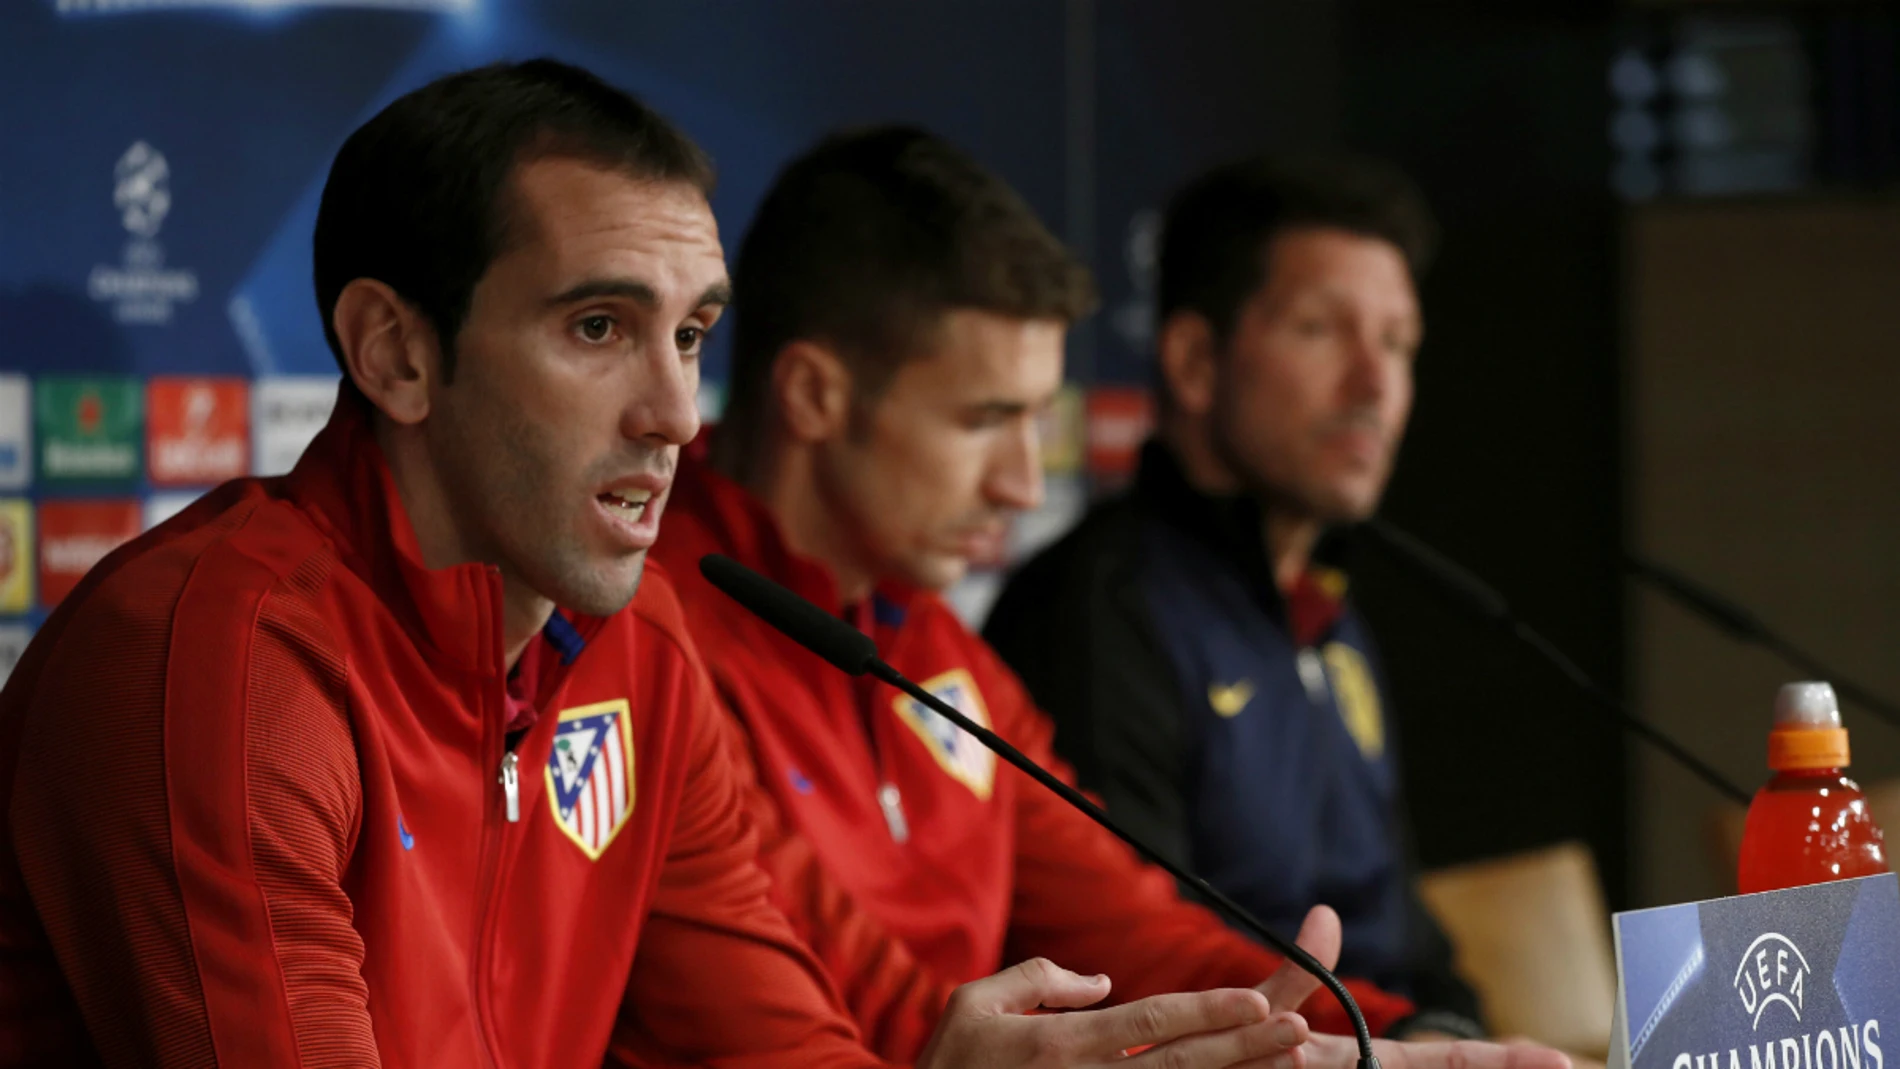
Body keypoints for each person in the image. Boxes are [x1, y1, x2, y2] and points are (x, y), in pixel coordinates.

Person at [0, 61, 1323, 1068]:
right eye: (595, 326)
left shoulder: (635, 659)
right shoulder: (219, 661)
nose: (676, 413)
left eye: (690, 335)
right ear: (396, 353)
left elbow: (781, 1054)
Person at [654, 127, 1558, 1066]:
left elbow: (1126, 926)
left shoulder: (937, 647)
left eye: (1035, 423)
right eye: (985, 419)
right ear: (813, 394)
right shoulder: (651, 629)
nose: (1022, 486)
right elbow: (844, 994)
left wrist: (1367, 1033)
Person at [984, 155, 1485, 1038]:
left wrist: (1457, 1033)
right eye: (1322, 329)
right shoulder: (1098, 612)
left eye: (1399, 343)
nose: (1376, 385)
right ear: (1194, 359)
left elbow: (1400, 926)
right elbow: (1134, 968)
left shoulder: (1335, 624)